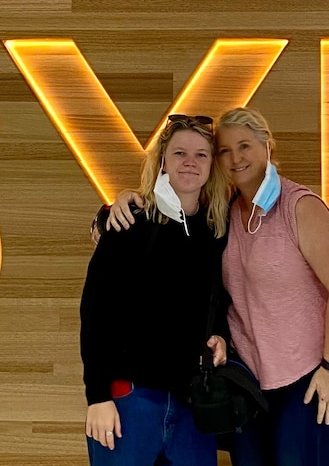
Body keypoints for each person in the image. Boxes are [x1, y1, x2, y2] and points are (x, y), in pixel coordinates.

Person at [104, 107, 329, 466]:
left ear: (267, 147)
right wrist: (119, 204)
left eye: (245, 146)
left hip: (303, 381)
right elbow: (165, 211)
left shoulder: (299, 206)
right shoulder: (220, 213)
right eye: (224, 150)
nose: (235, 158)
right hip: (245, 384)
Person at [80, 114, 232, 466]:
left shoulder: (214, 232)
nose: (190, 162)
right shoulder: (129, 222)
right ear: (163, 160)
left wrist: (220, 337)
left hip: (191, 403)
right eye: (179, 153)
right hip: (129, 398)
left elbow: (217, 304)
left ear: (213, 166)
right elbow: (96, 311)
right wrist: (98, 396)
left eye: (201, 155)